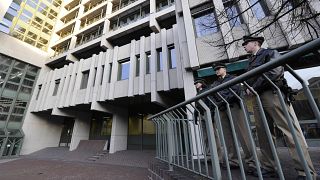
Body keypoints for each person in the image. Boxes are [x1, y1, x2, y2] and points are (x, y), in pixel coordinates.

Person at [242, 35, 316, 179]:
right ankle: (269, 167)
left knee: (289, 132)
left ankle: (306, 171)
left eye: (246, 43)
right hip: (258, 97)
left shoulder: (270, 53)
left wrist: (253, 87)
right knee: (264, 134)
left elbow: (275, 71)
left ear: (256, 43)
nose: (244, 46)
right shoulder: (250, 61)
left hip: (272, 94)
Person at [211, 63, 255, 172]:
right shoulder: (215, 83)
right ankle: (233, 161)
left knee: (243, 134)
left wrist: (223, 100)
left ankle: (252, 162)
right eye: (215, 69)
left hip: (234, 106)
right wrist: (220, 102)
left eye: (219, 68)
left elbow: (236, 91)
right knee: (227, 136)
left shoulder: (233, 78)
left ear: (224, 69)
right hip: (222, 109)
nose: (217, 71)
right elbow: (213, 95)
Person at [193, 78, 222, 162]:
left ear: (202, 83)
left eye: (197, 83)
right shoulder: (198, 93)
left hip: (208, 114)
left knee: (213, 135)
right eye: (195, 83)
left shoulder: (208, 90)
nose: (196, 84)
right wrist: (195, 117)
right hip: (201, 115)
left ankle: (218, 158)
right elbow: (196, 106)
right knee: (205, 137)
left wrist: (211, 116)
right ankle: (209, 156)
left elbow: (211, 104)